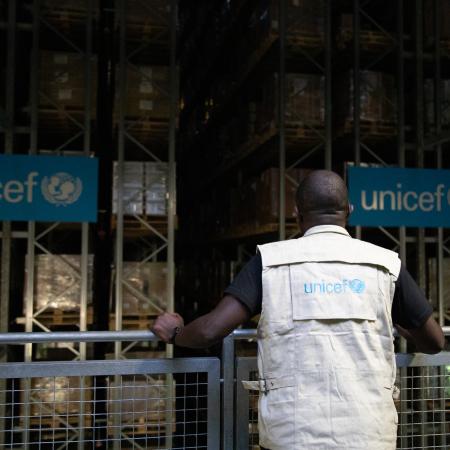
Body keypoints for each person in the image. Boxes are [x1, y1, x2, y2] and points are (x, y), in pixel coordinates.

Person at [152, 170, 445, 450]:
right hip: (369, 432)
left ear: (297, 214)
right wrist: (402, 324)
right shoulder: (385, 264)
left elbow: (209, 330)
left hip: (290, 434)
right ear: (350, 211)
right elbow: (434, 342)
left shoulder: (270, 261)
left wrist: (175, 332)